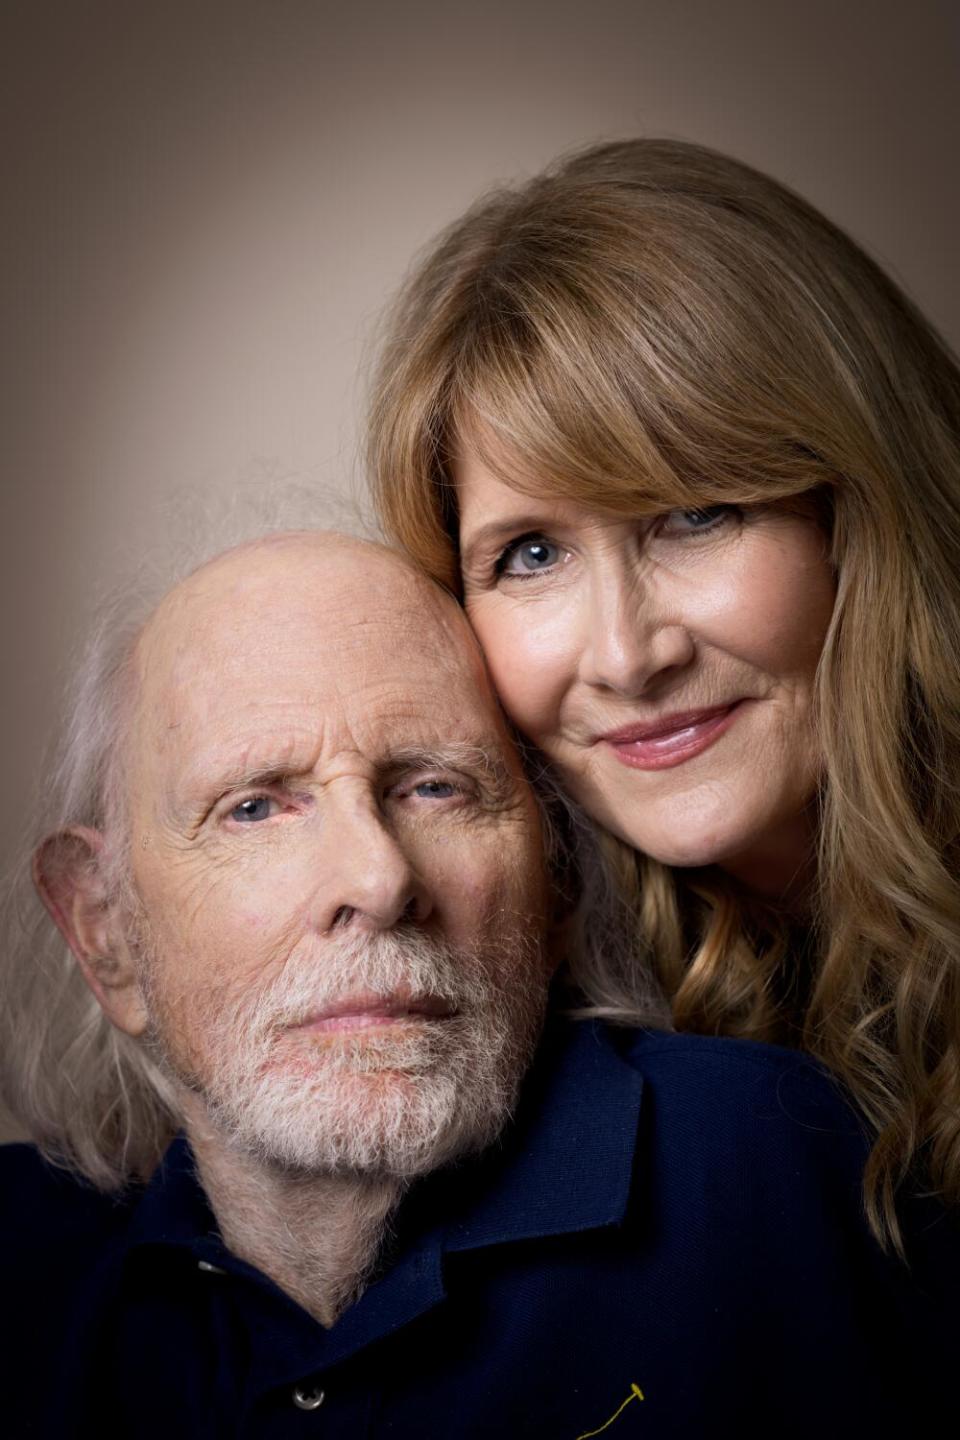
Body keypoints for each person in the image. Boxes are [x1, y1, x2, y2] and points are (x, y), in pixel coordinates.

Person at [1, 530, 953, 1438]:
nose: (379, 881)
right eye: (254, 808)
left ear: (559, 884)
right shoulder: (23, 1263)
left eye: (435, 788)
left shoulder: (778, 1165)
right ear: (107, 931)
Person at [367, 138, 960, 1249]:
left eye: (697, 514)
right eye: (530, 555)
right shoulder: (519, 997)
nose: (629, 656)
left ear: (860, 516)